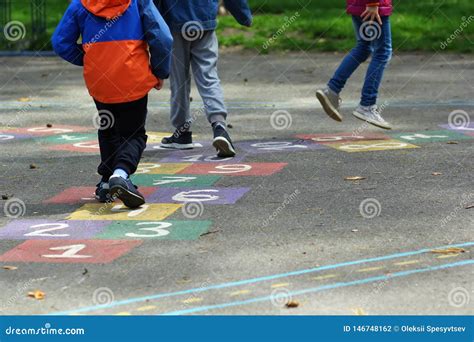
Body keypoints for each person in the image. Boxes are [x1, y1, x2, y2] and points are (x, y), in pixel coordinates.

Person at [52, 0, 173, 208]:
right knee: (133, 133)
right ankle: (121, 173)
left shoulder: (80, 4)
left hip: (99, 79)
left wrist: (91, 59)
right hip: (132, 75)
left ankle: (107, 180)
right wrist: (160, 69)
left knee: (108, 128)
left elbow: (60, 42)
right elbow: (162, 36)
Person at [155, 0, 252, 157]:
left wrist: (151, 24)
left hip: (174, 22)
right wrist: (243, 15)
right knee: (208, 76)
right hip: (203, 20)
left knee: (179, 81)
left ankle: (182, 132)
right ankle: (219, 126)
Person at [316, 0, 393, 129]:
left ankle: (332, 90)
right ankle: (367, 105)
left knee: (364, 47)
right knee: (382, 52)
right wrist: (373, 4)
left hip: (360, 5)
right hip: (373, 7)